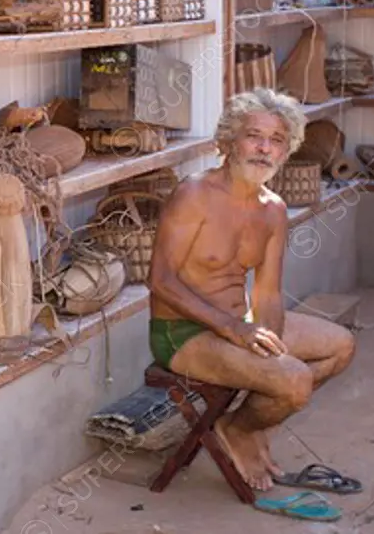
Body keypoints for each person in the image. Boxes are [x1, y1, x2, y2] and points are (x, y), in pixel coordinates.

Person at [147, 88, 356, 491]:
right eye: (253, 136)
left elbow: (269, 294)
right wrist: (235, 331)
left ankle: (243, 424)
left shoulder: (273, 209)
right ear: (229, 140)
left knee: (340, 346)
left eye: (276, 140)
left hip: (237, 325)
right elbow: (160, 281)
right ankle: (240, 431)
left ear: (287, 150)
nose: (263, 148)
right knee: (295, 381)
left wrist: (269, 344)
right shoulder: (194, 194)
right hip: (182, 333)